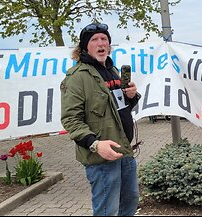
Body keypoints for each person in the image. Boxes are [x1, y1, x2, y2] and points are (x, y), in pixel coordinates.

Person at [60, 22, 141, 216]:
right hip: (101, 158)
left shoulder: (112, 71)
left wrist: (131, 96)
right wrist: (96, 145)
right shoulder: (77, 77)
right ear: (85, 47)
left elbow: (118, 109)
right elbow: (71, 120)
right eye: (94, 40)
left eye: (104, 39)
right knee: (107, 210)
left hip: (124, 151)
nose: (100, 43)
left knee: (129, 203)